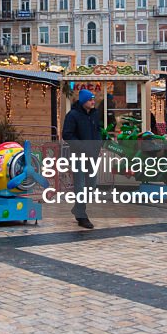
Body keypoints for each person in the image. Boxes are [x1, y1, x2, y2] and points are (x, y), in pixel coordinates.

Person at [61, 89, 102, 229]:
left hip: (93, 155)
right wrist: (83, 146)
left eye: (93, 99)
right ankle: (81, 216)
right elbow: (67, 134)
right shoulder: (73, 115)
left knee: (91, 185)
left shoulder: (95, 114)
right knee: (80, 185)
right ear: (84, 101)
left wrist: (98, 145)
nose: (93, 101)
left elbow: (98, 131)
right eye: (90, 99)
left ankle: (78, 208)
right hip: (79, 155)